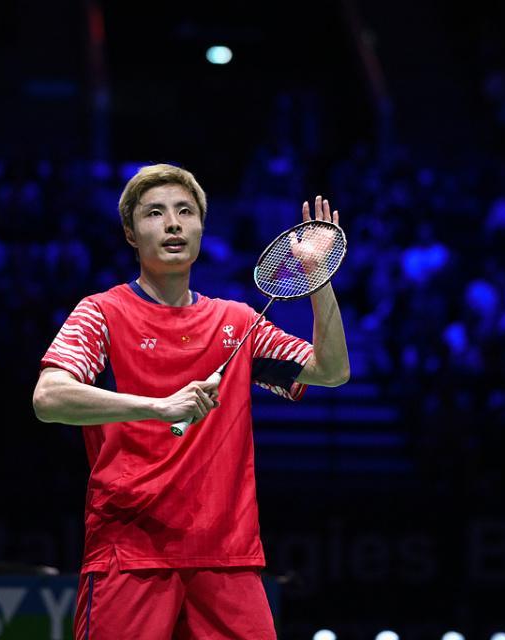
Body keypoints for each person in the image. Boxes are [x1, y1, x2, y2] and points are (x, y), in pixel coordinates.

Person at [32, 163, 350, 639]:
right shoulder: (101, 313)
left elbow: (331, 371)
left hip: (227, 558)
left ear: (201, 227)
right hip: (130, 554)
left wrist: (317, 276)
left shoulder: (238, 322)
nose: (173, 224)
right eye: (154, 213)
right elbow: (48, 397)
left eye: (185, 212)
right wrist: (157, 407)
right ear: (130, 234)